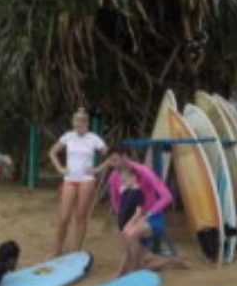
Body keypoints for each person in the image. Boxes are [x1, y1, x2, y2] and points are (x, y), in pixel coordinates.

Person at [108, 145, 186, 275]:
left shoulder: (143, 172)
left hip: (151, 217)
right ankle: (173, 261)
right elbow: (115, 203)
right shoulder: (114, 178)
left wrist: (149, 213)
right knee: (142, 263)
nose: (113, 164)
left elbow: (167, 197)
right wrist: (124, 219)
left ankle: (129, 275)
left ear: (125, 157)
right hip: (132, 220)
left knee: (130, 236)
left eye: (116, 160)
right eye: (111, 161)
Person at [48, 109, 109, 255]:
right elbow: (52, 152)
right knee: (64, 217)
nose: (79, 123)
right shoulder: (68, 136)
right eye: (77, 120)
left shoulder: (94, 138)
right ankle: (57, 250)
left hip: (86, 180)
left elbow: (110, 154)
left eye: (82, 120)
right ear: (73, 121)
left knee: (81, 216)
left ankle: (76, 252)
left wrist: (97, 169)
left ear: (87, 123)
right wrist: (60, 168)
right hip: (69, 179)